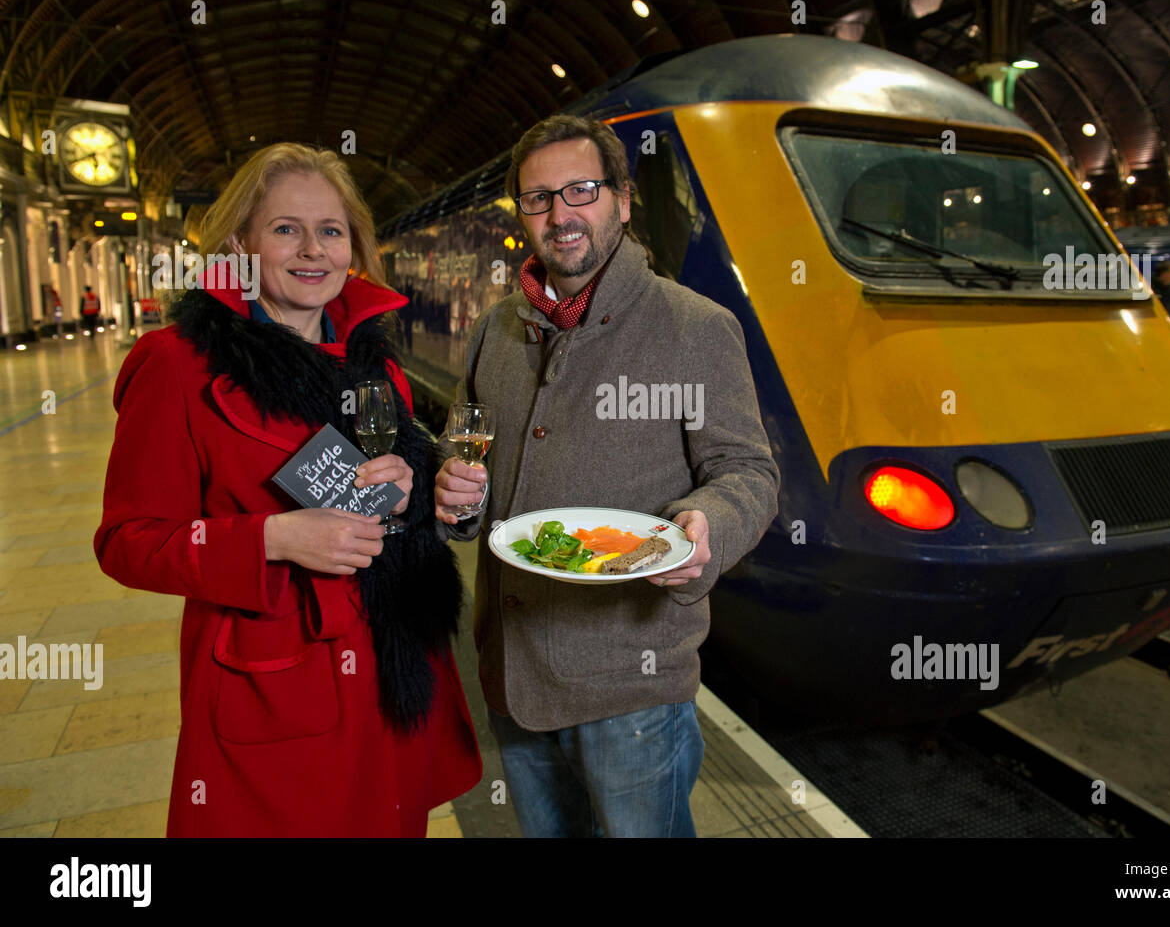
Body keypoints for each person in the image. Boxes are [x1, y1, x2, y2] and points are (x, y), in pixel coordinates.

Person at [94, 143, 481, 836]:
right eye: (285, 229)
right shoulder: (176, 366)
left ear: (353, 247)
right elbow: (127, 543)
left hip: (392, 679)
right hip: (277, 688)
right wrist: (270, 539)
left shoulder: (375, 362)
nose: (313, 250)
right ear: (241, 244)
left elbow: (398, 494)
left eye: (330, 231)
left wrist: (416, 490)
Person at [433, 116, 780, 838]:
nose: (560, 214)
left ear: (622, 200)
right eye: (538, 198)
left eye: (580, 190)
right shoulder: (496, 330)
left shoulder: (693, 326)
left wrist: (706, 525)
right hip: (514, 672)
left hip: (632, 688)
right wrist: (457, 497)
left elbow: (745, 469)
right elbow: (463, 450)